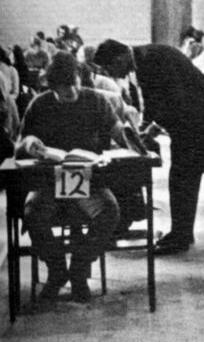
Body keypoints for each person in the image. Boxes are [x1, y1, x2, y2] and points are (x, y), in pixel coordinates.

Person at [93, 39, 204, 255]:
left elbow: (175, 97)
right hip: (192, 116)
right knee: (184, 177)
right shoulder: (145, 58)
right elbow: (153, 100)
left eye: (110, 68)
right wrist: (145, 126)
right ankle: (182, 232)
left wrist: (153, 127)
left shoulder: (151, 59)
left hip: (198, 116)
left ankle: (180, 237)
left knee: (183, 177)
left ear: (118, 58)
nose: (114, 74)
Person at [16, 52, 123, 303]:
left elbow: (117, 129)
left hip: (88, 177)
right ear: (52, 87)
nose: (72, 91)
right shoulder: (40, 104)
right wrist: (31, 144)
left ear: (80, 77)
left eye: (75, 83)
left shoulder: (96, 100)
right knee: (32, 213)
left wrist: (127, 136)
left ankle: (78, 270)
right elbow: (22, 142)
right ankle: (56, 270)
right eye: (64, 89)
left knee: (109, 212)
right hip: (51, 178)